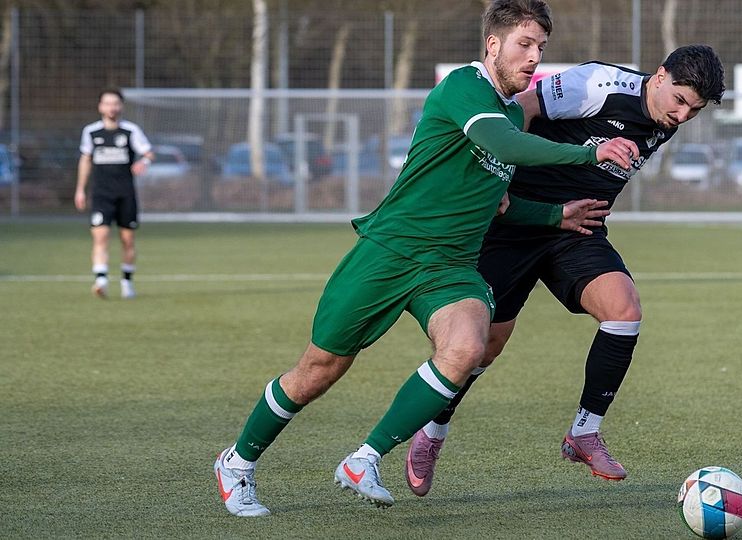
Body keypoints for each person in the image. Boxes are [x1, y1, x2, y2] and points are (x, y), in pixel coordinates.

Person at [213, 0, 641, 516]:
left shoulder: (509, 112)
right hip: (390, 252)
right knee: (318, 370)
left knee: (466, 348)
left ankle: (364, 458)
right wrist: (587, 153)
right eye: (525, 44)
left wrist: (556, 216)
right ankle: (237, 462)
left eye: (541, 47)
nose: (534, 56)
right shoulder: (466, 88)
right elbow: (498, 142)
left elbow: (500, 201)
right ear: (493, 45)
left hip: (449, 266)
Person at [404, 45, 725, 495]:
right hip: (515, 224)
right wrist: (496, 183)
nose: (682, 114)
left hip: (579, 231)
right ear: (659, 75)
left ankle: (583, 432)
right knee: (481, 348)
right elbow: (519, 111)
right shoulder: (599, 85)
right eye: (679, 99)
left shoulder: (667, 119)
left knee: (624, 311)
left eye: (694, 109)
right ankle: (432, 433)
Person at [75, 88, 154, 300]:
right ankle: (100, 281)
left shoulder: (130, 131)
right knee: (100, 236)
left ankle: (127, 283)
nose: (112, 107)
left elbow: (149, 152)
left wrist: (143, 162)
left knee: (127, 240)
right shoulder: (91, 132)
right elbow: (85, 159)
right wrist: (80, 189)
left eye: (115, 103)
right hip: (101, 194)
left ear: (121, 107)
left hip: (126, 193)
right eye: (107, 103)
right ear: (100, 107)